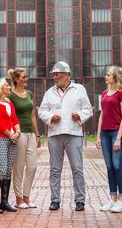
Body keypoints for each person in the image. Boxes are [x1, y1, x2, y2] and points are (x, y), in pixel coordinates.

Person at [38, 61, 93, 212]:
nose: (55, 77)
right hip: (55, 134)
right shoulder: (49, 92)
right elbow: (41, 111)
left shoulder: (79, 89)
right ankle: (55, 200)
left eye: (57, 74)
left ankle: (80, 201)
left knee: (77, 168)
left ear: (66, 74)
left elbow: (88, 109)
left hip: (74, 134)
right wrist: (50, 117)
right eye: (54, 74)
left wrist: (79, 115)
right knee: (55, 169)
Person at [96, 66, 122, 213]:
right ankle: (112, 199)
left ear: (115, 77)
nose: (105, 76)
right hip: (104, 133)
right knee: (109, 167)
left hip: (117, 132)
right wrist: (98, 136)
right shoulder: (104, 93)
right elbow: (102, 115)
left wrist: (118, 138)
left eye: (108, 74)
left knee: (117, 166)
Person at [7, 68, 42, 209]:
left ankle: (27, 197)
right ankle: (19, 199)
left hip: (31, 133)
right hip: (19, 133)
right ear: (16, 79)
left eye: (27, 76)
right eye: (23, 77)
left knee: (32, 166)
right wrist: (14, 133)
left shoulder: (29, 94)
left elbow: (33, 114)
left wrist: (37, 134)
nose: (26, 79)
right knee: (19, 167)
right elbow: (9, 116)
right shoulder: (10, 96)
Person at [0, 78, 21, 214]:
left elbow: (15, 120)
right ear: (0, 88)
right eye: (7, 85)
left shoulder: (10, 104)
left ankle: (4, 201)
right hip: (2, 138)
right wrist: (10, 135)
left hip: (13, 138)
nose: (9, 87)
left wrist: (17, 132)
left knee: (8, 171)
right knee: (2, 169)